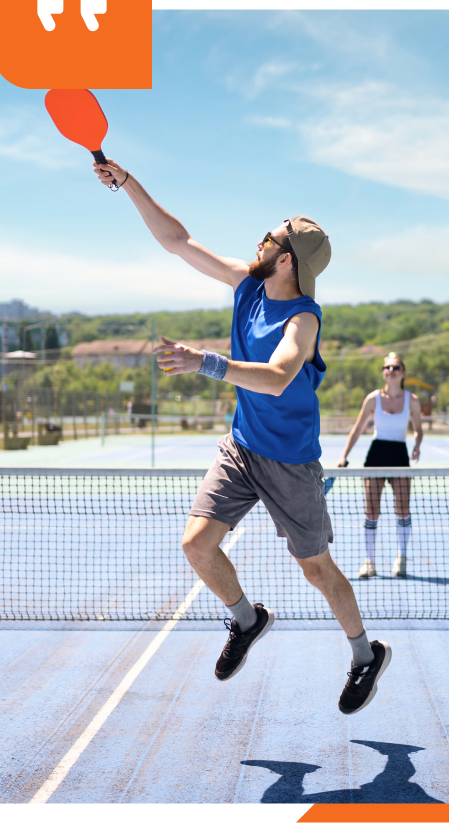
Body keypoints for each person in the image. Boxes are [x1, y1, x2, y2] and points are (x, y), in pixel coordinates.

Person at [93, 160, 391, 716]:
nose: (259, 238)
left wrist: (204, 361)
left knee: (316, 569)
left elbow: (278, 378)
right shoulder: (247, 285)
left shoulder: (304, 319)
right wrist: (128, 183)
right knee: (195, 544)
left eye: (271, 237)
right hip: (241, 447)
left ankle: (363, 654)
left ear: (286, 260)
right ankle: (247, 619)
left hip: (291, 463)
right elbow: (177, 240)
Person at [337, 353, 423, 578]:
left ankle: (401, 558)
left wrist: (417, 444)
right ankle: (369, 561)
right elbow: (357, 429)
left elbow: (418, 428)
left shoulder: (411, 400)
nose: (391, 371)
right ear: (384, 372)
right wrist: (344, 456)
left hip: (399, 456)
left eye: (395, 367)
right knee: (371, 510)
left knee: (402, 509)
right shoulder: (373, 399)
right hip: (376, 455)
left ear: (403, 372)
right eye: (387, 367)